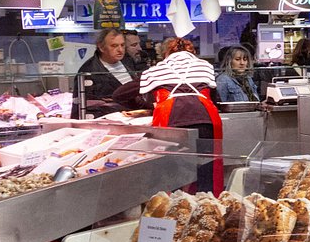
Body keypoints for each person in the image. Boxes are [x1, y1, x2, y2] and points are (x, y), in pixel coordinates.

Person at [139, 38, 224, 194]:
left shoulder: (154, 70)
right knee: (206, 168)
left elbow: (126, 94)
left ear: (166, 53)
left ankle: (173, 210)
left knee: (171, 170)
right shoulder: (205, 66)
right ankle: (208, 207)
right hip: (206, 118)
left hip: (171, 119)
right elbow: (214, 96)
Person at [77, 28, 135, 109]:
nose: (120, 50)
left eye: (122, 45)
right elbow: (85, 105)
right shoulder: (89, 70)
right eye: (114, 46)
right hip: (108, 118)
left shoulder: (129, 62)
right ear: (101, 47)